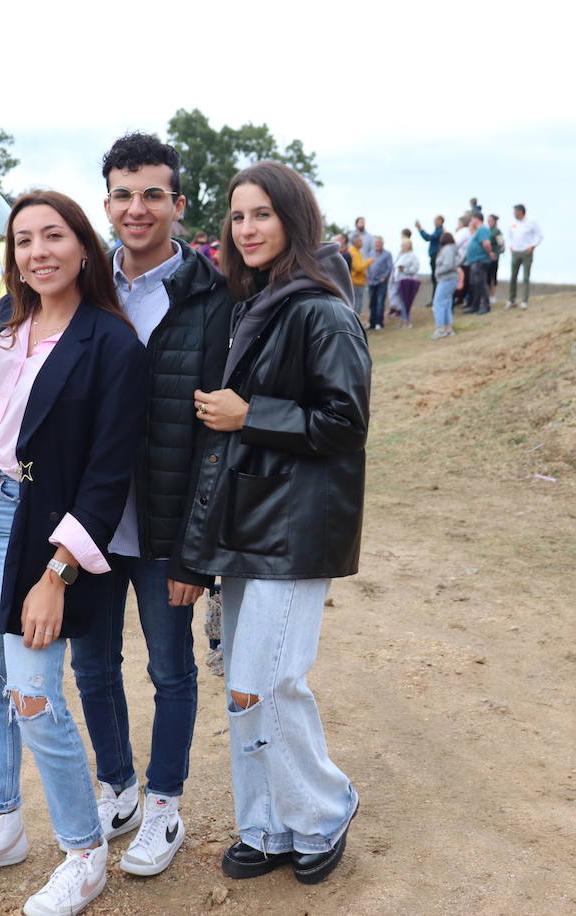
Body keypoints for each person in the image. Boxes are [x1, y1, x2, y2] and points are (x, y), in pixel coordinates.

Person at [0, 189, 150, 916]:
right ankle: (1, 825)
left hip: (35, 528)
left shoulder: (110, 343)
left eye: (53, 237)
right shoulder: (0, 322)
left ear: (84, 246)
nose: (38, 252)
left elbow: (110, 474)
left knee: (35, 696)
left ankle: (84, 853)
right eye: (23, 241)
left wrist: (57, 573)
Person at [183, 159, 368, 887]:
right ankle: (266, 824)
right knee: (242, 685)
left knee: (271, 681)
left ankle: (323, 811)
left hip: (296, 527)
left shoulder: (320, 308)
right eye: (237, 216)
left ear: (293, 218)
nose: (247, 228)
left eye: (261, 214)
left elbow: (345, 420)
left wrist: (248, 415)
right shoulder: (253, 302)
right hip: (248, 519)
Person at [67, 133, 234, 879]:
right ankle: (118, 788)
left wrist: (200, 549)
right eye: (123, 195)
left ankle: (164, 804)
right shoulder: (78, 283)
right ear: (106, 202)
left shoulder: (212, 298)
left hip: (165, 526)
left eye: (152, 195)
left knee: (171, 670)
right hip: (86, 521)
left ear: (178, 203)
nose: (137, 209)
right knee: (91, 665)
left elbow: (217, 441)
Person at [506, 204, 543, 309]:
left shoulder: (531, 221)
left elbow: (540, 235)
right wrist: (510, 246)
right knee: (513, 276)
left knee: (525, 277)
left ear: (521, 212)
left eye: (515, 211)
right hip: (515, 252)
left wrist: (532, 246)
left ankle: (524, 301)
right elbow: (508, 236)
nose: (513, 213)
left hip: (526, 252)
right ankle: (511, 300)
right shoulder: (513, 223)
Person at [461, 216, 494, 313]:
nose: (471, 222)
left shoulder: (482, 229)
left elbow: (486, 244)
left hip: (480, 260)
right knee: (474, 284)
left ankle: (485, 306)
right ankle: (475, 305)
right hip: (474, 261)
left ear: (476, 219)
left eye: (472, 219)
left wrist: (489, 253)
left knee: (481, 283)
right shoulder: (478, 230)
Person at [431, 231, 459, 337]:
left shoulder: (447, 249)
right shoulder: (453, 249)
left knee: (438, 303)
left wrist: (438, 272)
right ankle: (448, 328)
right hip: (451, 279)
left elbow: (448, 265)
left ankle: (441, 329)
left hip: (446, 279)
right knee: (447, 303)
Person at [414, 214, 445, 301]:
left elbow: (429, 238)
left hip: (436, 256)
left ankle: (435, 299)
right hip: (434, 256)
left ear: (440, 221)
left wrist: (420, 229)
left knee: (435, 278)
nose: (434, 222)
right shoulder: (438, 231)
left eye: (435, 220)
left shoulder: (439, 231)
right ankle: (434, 299)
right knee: (434, 277)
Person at [366, 236, 394, 330]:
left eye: (379, 243)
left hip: (381, 282)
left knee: (380, 302)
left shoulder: (387, 254)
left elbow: (390, 267)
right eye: (376, 243)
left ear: (382, 244)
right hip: (371, 282)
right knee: (372, 303)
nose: (377, 244)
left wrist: (384, 277)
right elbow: (368, 266)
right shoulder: (370, 253)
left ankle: (379, 323)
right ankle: (372, 323)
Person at [393, 237, 421, 327]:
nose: (402, 247)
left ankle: (406, 321)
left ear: (408, 246)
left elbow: (415, 268)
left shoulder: (412, 256)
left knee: (406, 301)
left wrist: (405, 269)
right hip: (399, 280)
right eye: (402, 245)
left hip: (407, 281)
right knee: (401, 302)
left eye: (404, 245)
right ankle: (403, 319)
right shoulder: (400, 256)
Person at [346, 234, 372, 317]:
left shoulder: (356, 251)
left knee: (357, 304)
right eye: (360, 241)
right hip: (356, 282)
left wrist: (365, 274)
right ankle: (355, 326)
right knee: (357, 305)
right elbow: (358, 268)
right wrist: (370, 261)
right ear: (355, 242)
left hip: (358, 282)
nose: (362, 242)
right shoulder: (354, 252)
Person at [485, 214, 503, 298]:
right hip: (487, 257)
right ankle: (488, 295)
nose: (489, 222)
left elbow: (501, 244)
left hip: (494, 257)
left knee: (493, 277)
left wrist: (497, 253)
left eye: (490, 220)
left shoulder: (497, 231)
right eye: (488, 220)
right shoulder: (487, 230)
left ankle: (493, 296)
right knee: (487, 277)